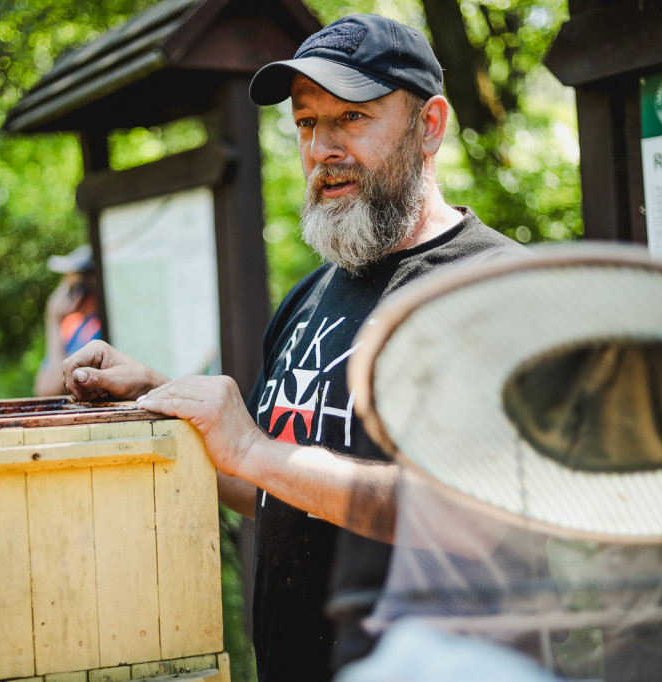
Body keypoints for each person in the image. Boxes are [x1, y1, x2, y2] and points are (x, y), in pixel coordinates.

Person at [62, 14, 525, 681]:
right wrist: (159, 397)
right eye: (307, 123)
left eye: (351, 118)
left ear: (430, 125)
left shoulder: (496, 288)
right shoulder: (310, 296)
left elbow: (470, 516)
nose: (323, 148)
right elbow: (273, 487)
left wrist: (254, 448)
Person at [33, 244, 102, 396]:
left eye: (69, 284)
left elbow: (53, 389)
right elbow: (43, 387)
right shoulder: (74, 325)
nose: (62, 291)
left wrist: (53, 321)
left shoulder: (102, 330)